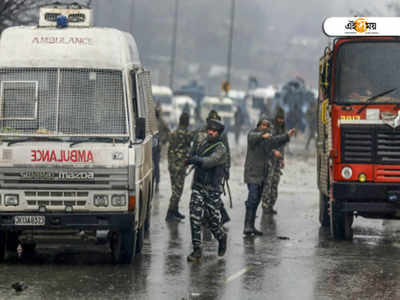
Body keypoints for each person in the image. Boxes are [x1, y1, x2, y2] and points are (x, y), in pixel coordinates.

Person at [243, 116, 295, 236]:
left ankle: (251, 226)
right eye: (263, 125)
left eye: (267, 126)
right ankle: (247, 226)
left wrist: (287, 135)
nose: (264, 128)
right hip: (252, 173)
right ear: (258, 126)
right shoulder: (253, 134)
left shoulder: (268, 139)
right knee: (252, 199)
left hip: (262, 174)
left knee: (256, 200)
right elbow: (252, 138)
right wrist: (262, 136)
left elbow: (276, 140)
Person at [186, 118, 228, 262]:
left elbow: (210, 162)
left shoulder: (221, 148)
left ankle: (222, 237)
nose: (210, 132)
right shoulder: (202, 143)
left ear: (218, 133)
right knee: (194, 216)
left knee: (212, 221)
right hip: (198, 186)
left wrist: (197, 160)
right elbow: (192, 155)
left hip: (212, 189)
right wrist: (187, 159)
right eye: (209, 129)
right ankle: (197, 250)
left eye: (214, 131)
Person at [192, 110, 231, 225]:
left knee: (213, 193)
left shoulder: (222, 134)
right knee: (201, 192)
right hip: (202, 168)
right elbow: (195, 149)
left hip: (216, 169)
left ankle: (215, 218)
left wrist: (227, 169)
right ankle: (211, 217)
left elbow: (226, 152)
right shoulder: (200, 132)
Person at [165, 112, 194, 222]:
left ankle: (175, 211)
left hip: (172, 165)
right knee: (177, 190)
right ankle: (170, 213)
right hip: (179, 166)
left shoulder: (174, 133)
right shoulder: (186, 134)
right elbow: (194, 139)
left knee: (175, 188)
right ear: (187, 122)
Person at [261, 105, 286, 214]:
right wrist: (273, 152)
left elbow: (282, 145)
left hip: (277, 160)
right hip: (269, 159)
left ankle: (271, 205)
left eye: (282, 118)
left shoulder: (282, 128)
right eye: (279, 118)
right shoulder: (270, 128)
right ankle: (265, 205)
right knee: (268, 182)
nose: (280, 120)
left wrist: (282, 159)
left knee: (275, 182)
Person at [154, 103, 170, 193]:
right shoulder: (151, 121)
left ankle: (157, 184)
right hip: (150, 147)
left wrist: (162, 141)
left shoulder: (161, 122)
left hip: (157, 147)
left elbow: (167, 133)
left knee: (156, 166)